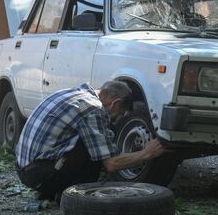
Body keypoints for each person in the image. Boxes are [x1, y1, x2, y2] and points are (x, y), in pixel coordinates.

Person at [15, 81, 165, 201]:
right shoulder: (93, 109)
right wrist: (147, 153)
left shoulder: (74, 93)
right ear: (114, 103)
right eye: (118, 115)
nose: (115, 120)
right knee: (96, 150)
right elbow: (111, 164)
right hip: (37, 175)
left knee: (93, 141)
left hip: (24, 168)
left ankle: (51, 191)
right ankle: (75, 198)